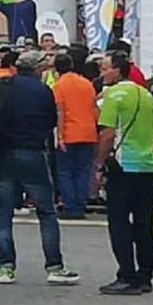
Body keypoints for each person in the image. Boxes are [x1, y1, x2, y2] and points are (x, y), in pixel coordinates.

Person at [0, 51, 81, 285]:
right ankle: (54, 265)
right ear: (37, 69)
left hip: (4, 152)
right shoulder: (43, 91)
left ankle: (6, 267)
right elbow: (50, 121)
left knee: (4, 212)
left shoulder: (3, 86)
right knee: (46, 212)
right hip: (33, 152)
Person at [95, 52, 153, 295]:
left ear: (117, 71)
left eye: (104, 69)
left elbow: (108, 133)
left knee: (119, 222)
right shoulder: (146, 95)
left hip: (122, 165)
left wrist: (100, 164)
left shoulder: (113, 95)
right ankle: (145, 276)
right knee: (144, 223)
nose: (102, 74)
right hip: (146, 165)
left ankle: (126, 275)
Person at [52, 53, 99, 219]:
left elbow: (60, 112)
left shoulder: (59, 86)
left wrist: (59, 136)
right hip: (88, 132)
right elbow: (94, 109)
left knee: (65, 172)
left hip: (70, 132)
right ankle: (80, 205)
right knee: (83, 171)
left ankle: (70, 206)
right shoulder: (86, 83)